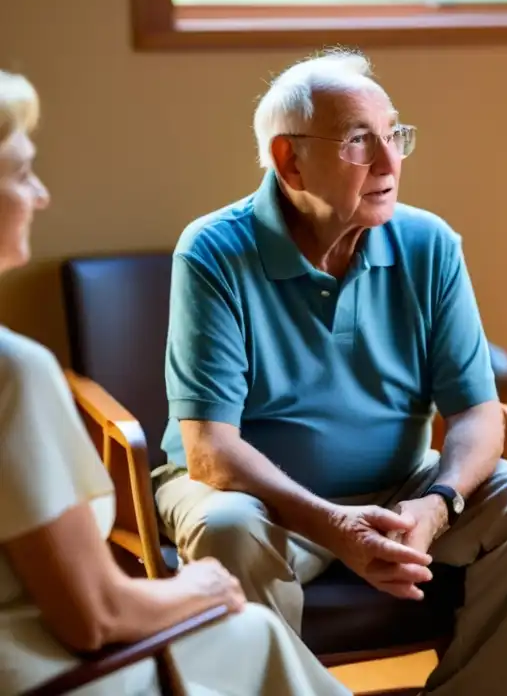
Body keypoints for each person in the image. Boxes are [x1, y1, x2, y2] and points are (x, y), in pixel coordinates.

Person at [152, 49, 507, 696]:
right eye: (357, 141)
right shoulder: (213, 251)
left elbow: (477, 414)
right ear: (289, 160)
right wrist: (334, 527)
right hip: (257, 503)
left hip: (400, 488)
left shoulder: (429, 243)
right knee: (228, 527)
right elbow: (211, 453)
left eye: (394, 134)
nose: (389, 161)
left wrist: (436, 506)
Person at [0, 70, 350, 695]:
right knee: (256, 632)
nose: (42, 194)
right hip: (43, 675)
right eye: (22, 173)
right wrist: (201, 586)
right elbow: (95, 619)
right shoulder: (15, 372)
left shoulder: (424, 242)